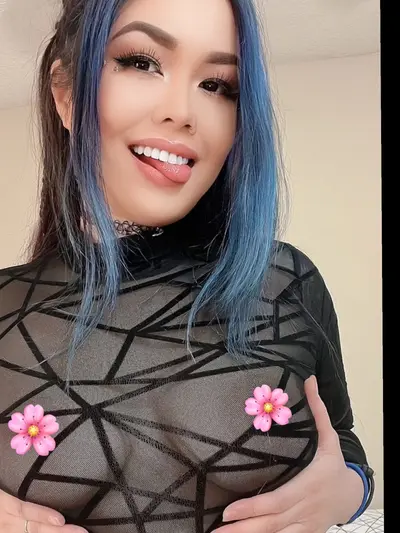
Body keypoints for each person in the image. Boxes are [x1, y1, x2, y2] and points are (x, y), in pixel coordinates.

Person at [0, 0, 374, 532]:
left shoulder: (284, 282)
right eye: (141, 62)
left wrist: (349, 491)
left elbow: (345, 444)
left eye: (218, 85)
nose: (183, 111)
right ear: (66, 94)